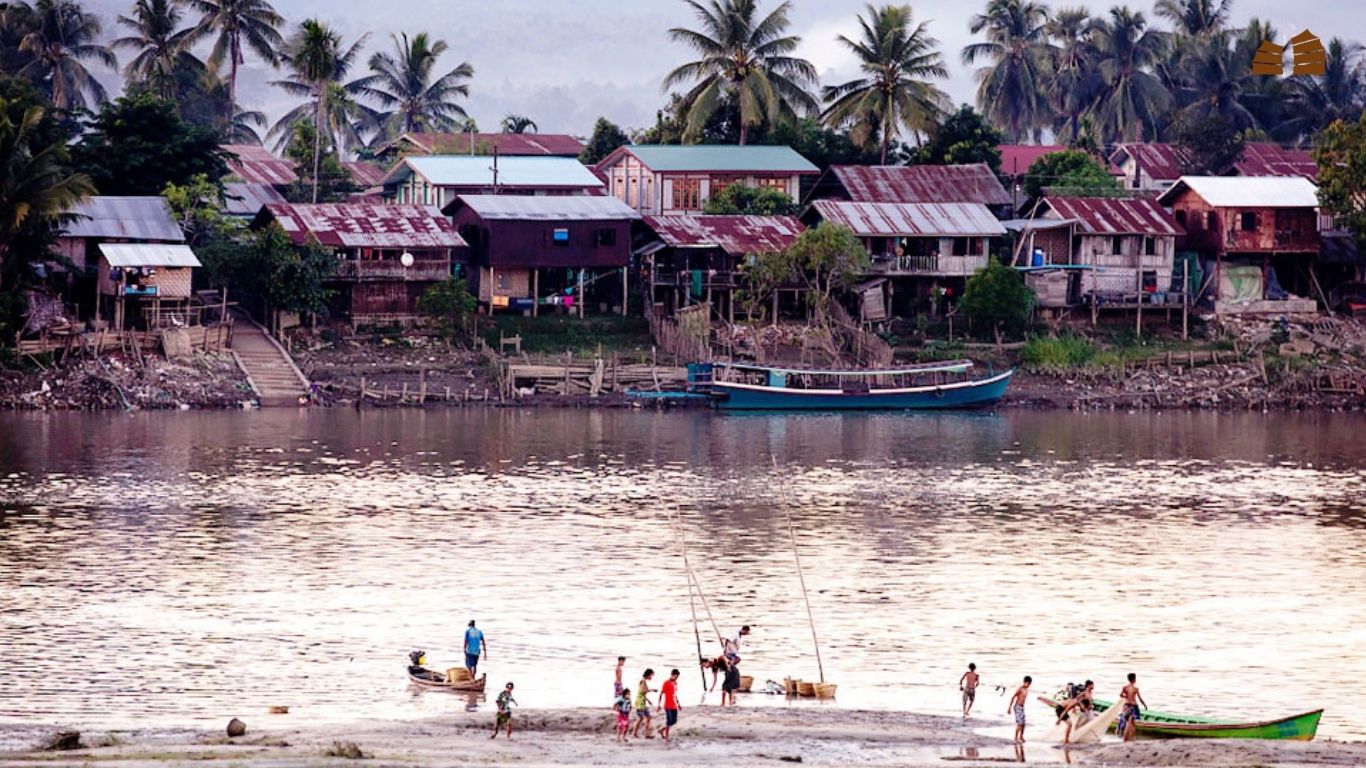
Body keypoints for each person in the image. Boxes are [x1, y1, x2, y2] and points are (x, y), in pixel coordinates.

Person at [1055, 680, 1095, 744]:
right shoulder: (1075, 702)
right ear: (1083, 705)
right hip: (1060, 709)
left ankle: (1066, 739)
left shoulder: (1078, 702)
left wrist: (1079, 709)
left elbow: (1081, 707)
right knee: (1070, 724)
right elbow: (1065, 710)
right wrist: (1059, 720)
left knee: (1070, 724)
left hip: (1062, 709)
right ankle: (1066, 740)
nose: (1084, 709)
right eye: (1084, 708)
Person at [1118, 673, 1148, 742]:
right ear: (1134, 680)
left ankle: (1130, 737)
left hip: (1126, 706)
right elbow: (1140, 699)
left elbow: (1120, 695)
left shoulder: (1125, 687)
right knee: (1131, 723)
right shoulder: (1135, 689)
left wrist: (1125, 696)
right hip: (1133, 707)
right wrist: (1145, 705)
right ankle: (1131, 738)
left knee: (1129, 722)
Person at [657, 669, 681, 742]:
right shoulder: (666, 683)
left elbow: (675, 695)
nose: (676, 677)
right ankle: (666, 737)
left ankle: (662, 730)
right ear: (672, 674)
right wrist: (658, 705)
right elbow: (661, 694)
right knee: (669, 721)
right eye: (676, 676)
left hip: (674, 705)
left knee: (674, 721)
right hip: (667, 705)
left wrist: (678, 704)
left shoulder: (675, 683)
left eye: (677, 676)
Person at [632, 669, 656, 739]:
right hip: (640, 703)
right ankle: (635, 733)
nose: (651, 677)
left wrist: (648, 700)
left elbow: (641, 693)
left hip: (642, 701)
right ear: (648, 674)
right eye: (651, 675)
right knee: (641, 718)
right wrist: (652, 690)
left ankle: (646, 734)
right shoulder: (642, 681)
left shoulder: (643, 681)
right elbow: (642, 691)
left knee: (648, 717)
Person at [1007, 676, 1031, 743]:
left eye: (1029, 684)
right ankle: (1016, 738)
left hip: (1022, 708)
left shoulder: (1027, 690)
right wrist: (1009, 708)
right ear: (1025, 682)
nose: (1029, 685)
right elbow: (1013, 697)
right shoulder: (1020, 689)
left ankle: (1021, 736)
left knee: (1023, 724)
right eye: (1028, 684)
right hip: (1017, 707)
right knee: (1019, 723)